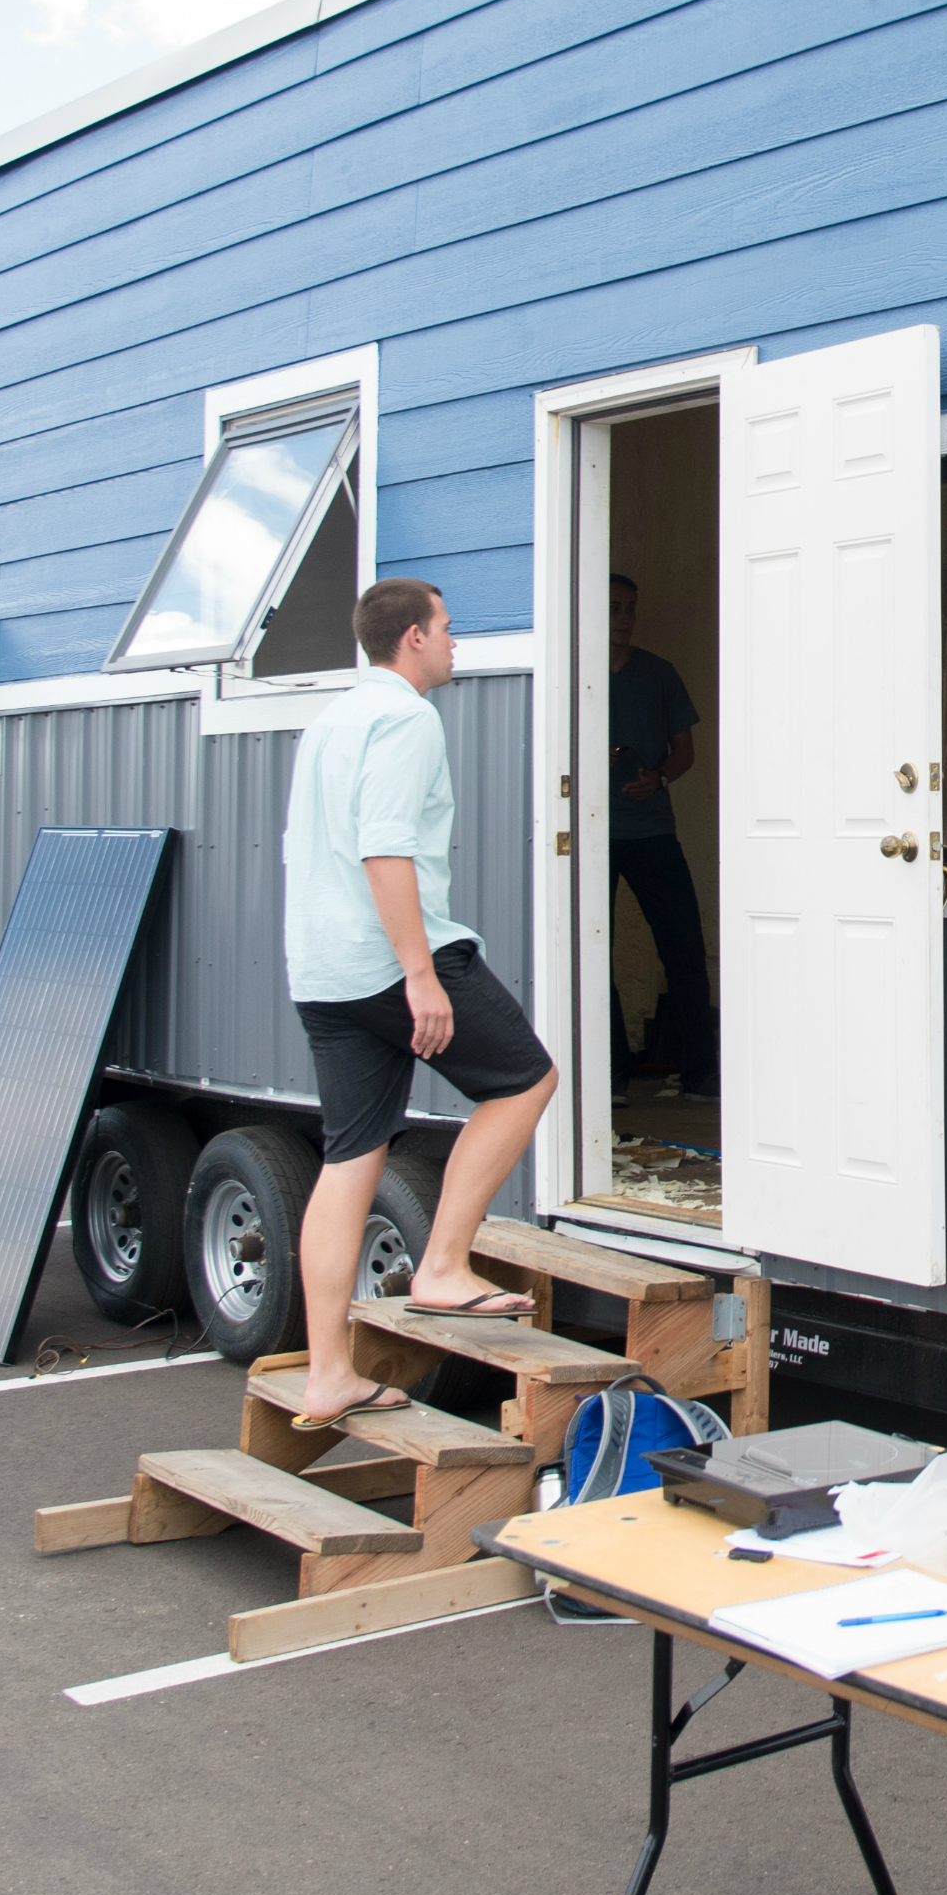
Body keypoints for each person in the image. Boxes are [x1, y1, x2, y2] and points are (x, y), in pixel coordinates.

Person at [275, 576, 558, 1427]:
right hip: (388, 957)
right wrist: (420, 972)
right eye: (446, 627)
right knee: (525, 1079)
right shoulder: (405, 717)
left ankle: (329, 1372)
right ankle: (441, 1265)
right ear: (410, 639)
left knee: (348, 1157)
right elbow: (385, 849)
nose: (454, 641)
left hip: (321, 969)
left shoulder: (330, 720)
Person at [607, 573, 716, 1099]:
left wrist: (660, 777)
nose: (623, 618)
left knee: (683, 950)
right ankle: (609, 1078)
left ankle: (701, 1076)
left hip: (652, 831)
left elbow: (685, 749)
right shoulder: (574, 672)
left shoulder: (658, 674)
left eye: (630, 608)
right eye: (612, 608)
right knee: (591, 952)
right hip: (591, 835)